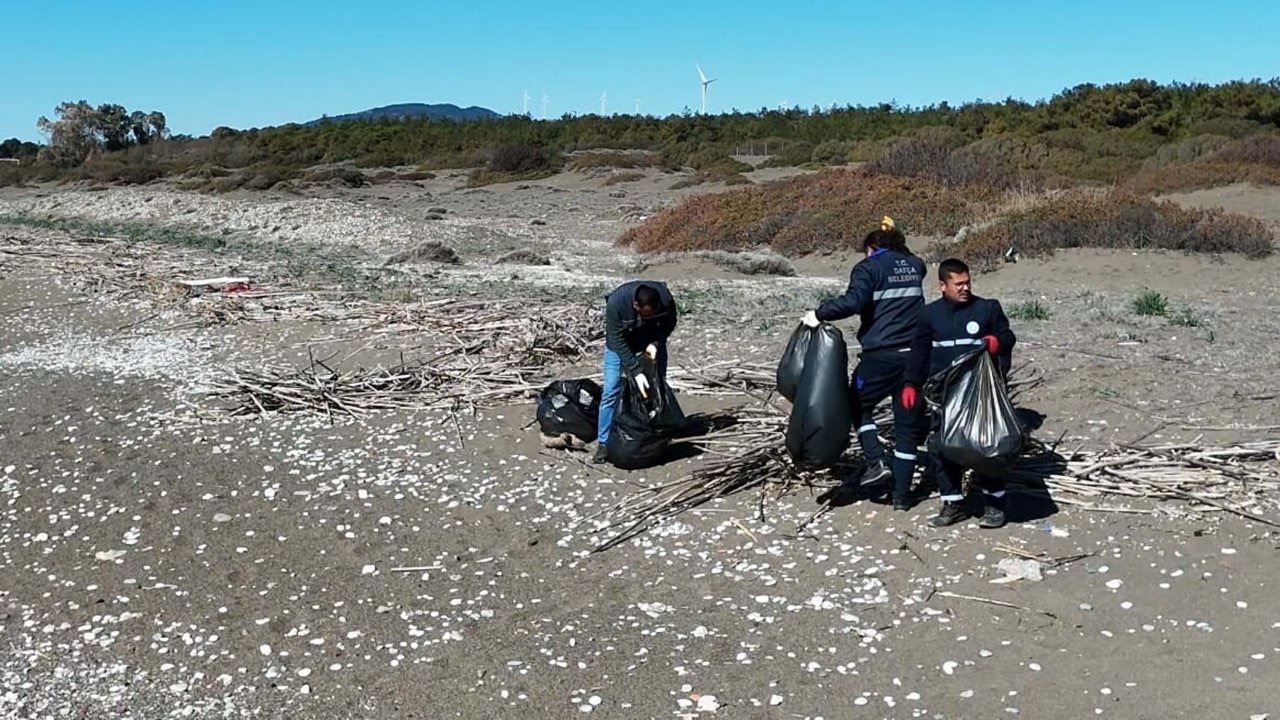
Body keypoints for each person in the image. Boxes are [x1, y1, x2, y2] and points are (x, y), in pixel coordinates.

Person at [801, 216, 926, 510]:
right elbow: (907, 259)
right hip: (916, 358)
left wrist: (820, 314)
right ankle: (902, 497)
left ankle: (876, 460)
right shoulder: (914, 265)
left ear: (870, 249)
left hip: (882, 355)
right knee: (906, 426)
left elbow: (853, 302)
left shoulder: (868, 267)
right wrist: (894, 237)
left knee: (857, 403)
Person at [904, 257, 1017, 528]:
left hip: (981, 396)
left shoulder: (987, 308)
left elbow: (1008, 337)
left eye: (967, 282)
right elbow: (919, 353)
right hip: (945, 396)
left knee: (987, 447)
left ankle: (995, 505)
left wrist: (996, 342)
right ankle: (953, 504)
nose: (964, 288)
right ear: (942, 285)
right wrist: (910, 384)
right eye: (958, 284)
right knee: (941, 448)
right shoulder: (929, 315)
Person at [592, 280, 678, 464]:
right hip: (619, 346)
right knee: (611, 389)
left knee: (656, 386)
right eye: (644, 314)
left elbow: (669, 324)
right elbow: (617, 340)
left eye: (652, 314)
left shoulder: (665, 299)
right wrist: (635, 370)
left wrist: (656, 343)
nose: (649, 316)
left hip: (649, 341)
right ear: (635, 305)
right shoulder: (616, 303)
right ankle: (604, 442)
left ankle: (655, 431)